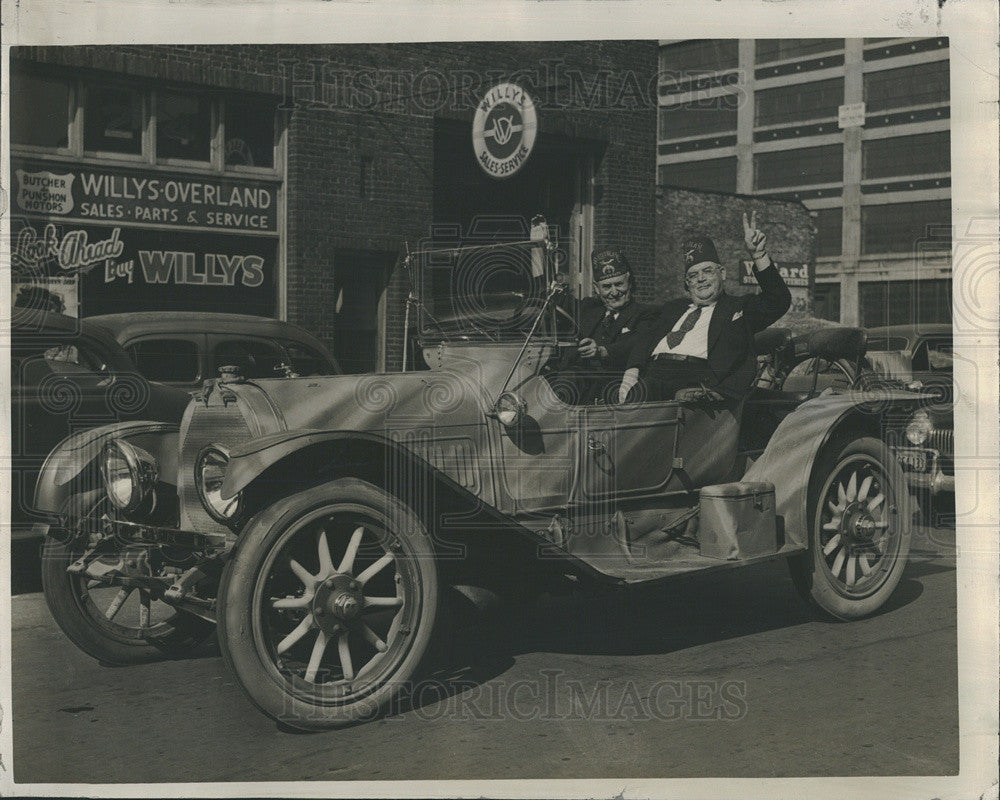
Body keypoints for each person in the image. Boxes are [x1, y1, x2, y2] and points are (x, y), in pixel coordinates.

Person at [618, 212, 791, 404]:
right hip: (654, 377)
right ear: (687, 282)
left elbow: (778, 300)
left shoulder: (738, 308)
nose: (701, 279)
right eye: (693, 275)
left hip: (697, 381)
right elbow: (644, 338)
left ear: (722, 273)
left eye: (708, 271)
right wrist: (631, 372)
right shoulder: (672, 309)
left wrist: (758, 255)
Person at [555, 248, 657, 404]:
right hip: (569, 378)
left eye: (619, 284)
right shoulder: (589, 308)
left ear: (629, 282)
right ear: (596, 288)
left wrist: (601, 351)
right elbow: (552, 299)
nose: (614, 292)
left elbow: (634, 344)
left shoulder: (644, 314)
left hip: (607, 385)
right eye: (607, 287)